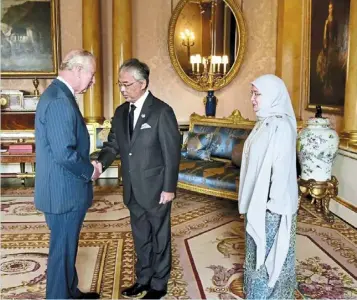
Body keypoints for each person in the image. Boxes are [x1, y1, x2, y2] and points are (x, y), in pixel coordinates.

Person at [94, 58, 181, 299]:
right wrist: (100, 163)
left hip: (156, 188)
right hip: (133, 189)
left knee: (160, 236)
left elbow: (172, 153)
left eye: (126, 84)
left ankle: (159, 284)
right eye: (120, 84)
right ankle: (143, 279)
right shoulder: (121, 112)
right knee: (140, 236)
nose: (122, 89)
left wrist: (169, 188)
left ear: (142, 84)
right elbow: (113, 144)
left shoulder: (162, 111)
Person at [34, 49, 102, 299]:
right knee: (61, 252)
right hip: (64, 194)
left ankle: (70, 292)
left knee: (66, 249)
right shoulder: (60, 100)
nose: (93, 81)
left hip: (61, 190)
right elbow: (64, 153)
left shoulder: (58, 94)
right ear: (77, 70)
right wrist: (90, 171)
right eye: (91, 74)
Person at [238, 74, 298, 299]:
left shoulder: (281, 126)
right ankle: (257, 293)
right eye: (252, 93)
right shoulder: (263, 123)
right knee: (257, 253)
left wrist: (270, 207)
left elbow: (281, 172)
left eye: (257, 94)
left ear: (273, 95)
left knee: (272, 255)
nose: (252, 99)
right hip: (259, 202)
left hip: (273, 207)